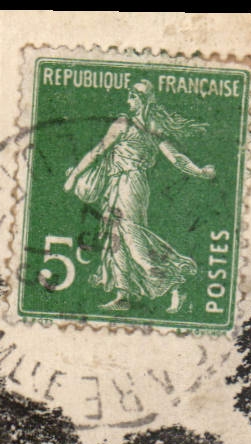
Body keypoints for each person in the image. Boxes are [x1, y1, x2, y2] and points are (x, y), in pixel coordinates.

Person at [63, 80, 216, 313]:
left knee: (133, 239)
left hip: (130, 185)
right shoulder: (146, 126)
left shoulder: (131, 125)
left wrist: (73, 176)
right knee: (116, 238)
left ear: (142, 100)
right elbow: (101, 151)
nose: (128, 101)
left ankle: (177, 282)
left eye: (132, 97)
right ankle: (123, 294)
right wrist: (199, 171)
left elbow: (175, 158)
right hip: (121, 185)